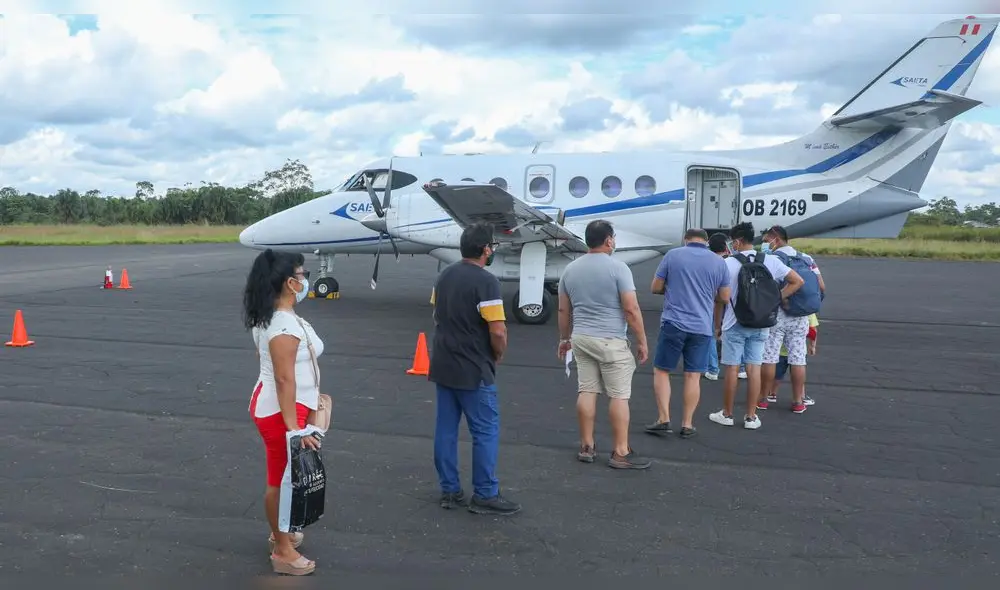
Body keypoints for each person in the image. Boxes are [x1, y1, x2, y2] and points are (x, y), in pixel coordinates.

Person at [428, 222, 520, 516]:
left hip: (443, 363)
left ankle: (450, 490)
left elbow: (437, 314)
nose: (492, 250)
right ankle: (485, 493)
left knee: (445, 430)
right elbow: (498, 330)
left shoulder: (444, 276)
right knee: (485, 431)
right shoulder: (487, 281)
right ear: (484, 250)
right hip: (473, 367)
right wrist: (498, 353)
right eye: (491, 246)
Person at [243, 249, 324, 576]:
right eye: (303, 275)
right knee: (280, 480)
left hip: (284, 408)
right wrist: (295, 429)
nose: (306, 280)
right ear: (291, 283)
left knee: (287, 477)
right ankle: (282, 549)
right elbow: (283, 378)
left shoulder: (276, 317)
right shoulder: (281, 325)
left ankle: (283, 532)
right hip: (281, 413)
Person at [557, 219, 651, 470]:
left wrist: (564, 339)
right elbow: (631, 309)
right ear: (609, 240)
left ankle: (587, 445)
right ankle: (620, 451)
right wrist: (642, 340)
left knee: (587, 390)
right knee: (619, 396)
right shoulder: (619, 268)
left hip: (582, 339)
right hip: (611, 341)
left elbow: (564, 310)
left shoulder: (570, 270)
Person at [707, 222, 803, 430]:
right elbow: (797, 281)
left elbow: (721, 298)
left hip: (735, 322)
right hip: (762, 322)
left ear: (738, 241)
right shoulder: (771, 260)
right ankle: (751, 416)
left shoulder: (727, 263)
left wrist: (717, 324)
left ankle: (727, 413)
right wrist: (776, 298)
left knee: (732, 368)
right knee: (754, 368)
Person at [645, 228, 730, 439]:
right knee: (693, 375)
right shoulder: (719, 262)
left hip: (674, 323)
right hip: (702, 326)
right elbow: (725, 297)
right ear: (707, 241)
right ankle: (687, 423)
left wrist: (674, 288)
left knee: (662, 370)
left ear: (685, 239)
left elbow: (655, 287)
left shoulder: (673, 255)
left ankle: (664, 418)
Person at [760, 225, 825, 414]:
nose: (765, 244)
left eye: (766, 241)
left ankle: (763, 398)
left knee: (770, 356)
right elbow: (821, 286)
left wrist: (776, 299)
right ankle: (798, 401)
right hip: (801, 316)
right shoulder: (807, 258)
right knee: (798, 358)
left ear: (776, 239)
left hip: (779, 313)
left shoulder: (772, 259)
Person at [765, 313, 819, 407]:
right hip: (797, 342)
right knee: (798, 368)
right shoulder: (807, 308)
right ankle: (799, 398)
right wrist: (812, 345)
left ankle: (769, 394)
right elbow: (813, 330)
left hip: (778, 348)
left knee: (776, 373)